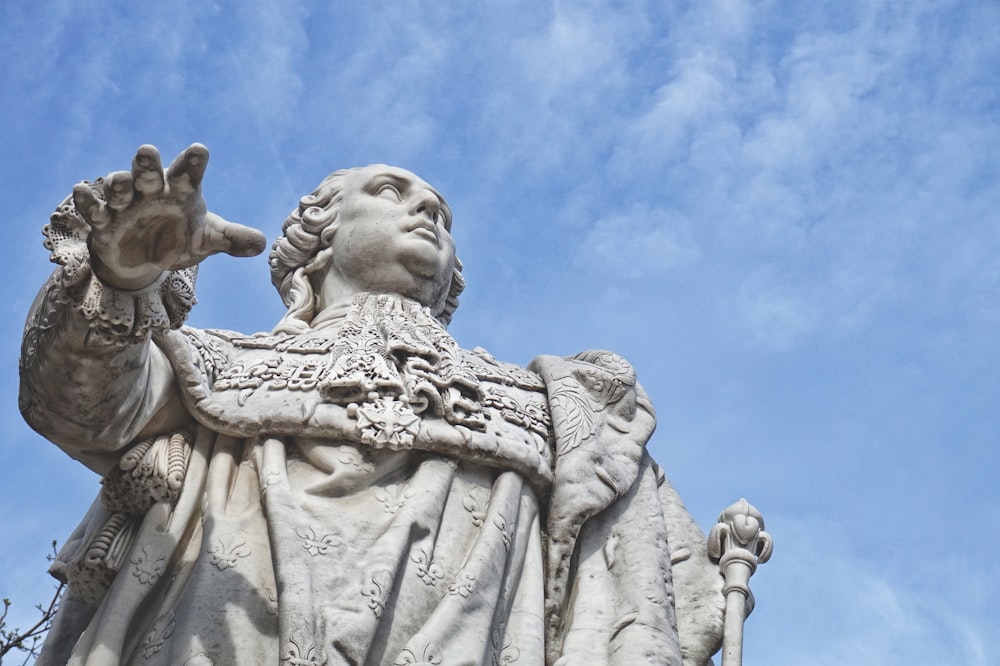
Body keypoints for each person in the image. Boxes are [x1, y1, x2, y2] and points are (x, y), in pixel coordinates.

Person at [20, 145, 723, 665]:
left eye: (441, 214)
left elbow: (635, 603)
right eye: (390, 191)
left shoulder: (547, 411)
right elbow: (79, 405)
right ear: (317, 243)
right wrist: (122, 274)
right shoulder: (222, 370)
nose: (426, 211)